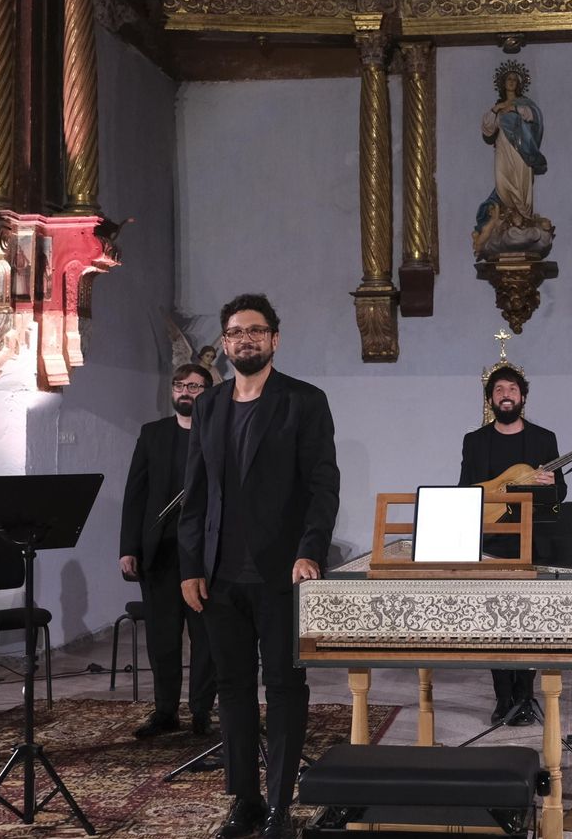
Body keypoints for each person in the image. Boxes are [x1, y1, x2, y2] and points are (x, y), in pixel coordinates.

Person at [178, 294, 340, 839]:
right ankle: (244, 800)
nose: (245, 339)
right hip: (221, 575)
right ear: (224, 344)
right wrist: (191, 565)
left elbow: (323, 484)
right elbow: (195, 494)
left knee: (286, 688)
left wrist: (310, 549)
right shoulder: (209, 406)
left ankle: (280, 807)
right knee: (233, 689)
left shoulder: (304, 401)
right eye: (235, 332)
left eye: (255, 330)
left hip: (281, 572)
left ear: (274, 337)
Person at [457, 366, 566, 726]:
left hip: (533, 540)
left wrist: (549, 483)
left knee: (528, 618)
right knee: (494, 620)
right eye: (499, 389)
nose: (506, 394)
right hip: (491, 540)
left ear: (523, 396)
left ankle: (526, 692)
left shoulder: (543, 439)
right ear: (490, 399)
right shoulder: (475, 441)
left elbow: (559, 494)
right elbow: (466, 491)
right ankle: (503, 696)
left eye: (513, 389)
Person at [120, 364, 217, 741]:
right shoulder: (153, 434)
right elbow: (135, 494)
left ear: (208, 391)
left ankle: (201, 711)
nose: (186, 392)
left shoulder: (216, 435)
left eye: (194, 386)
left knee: (205, 636)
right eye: (180, 385)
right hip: (159, 551)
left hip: (206, 554)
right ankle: (165, 711)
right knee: (162, 637)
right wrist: (128, 547)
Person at [474, 61, 551, 258]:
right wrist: (497, 109)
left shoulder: (524, 105)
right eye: (508, 79)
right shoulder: (498, 108)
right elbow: (487, 128)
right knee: (502, 181)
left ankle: (523, 215)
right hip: (503, 147)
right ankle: (507, 214)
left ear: (518, 84)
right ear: (502, 83)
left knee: (521, 180)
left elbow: (535, 118)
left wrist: (515, 110)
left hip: (520, 150)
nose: (511, 82)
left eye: (514, 79)